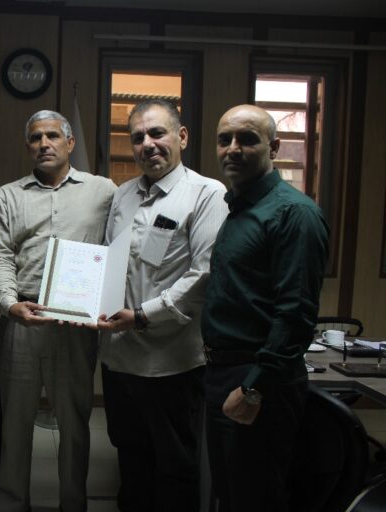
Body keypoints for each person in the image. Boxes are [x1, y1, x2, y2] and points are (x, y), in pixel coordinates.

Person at [96, 99, 229, 511]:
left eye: (157, 133)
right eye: (138, 137)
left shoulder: (206, 194)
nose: (148, 144)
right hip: (119, 358)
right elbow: (110, 260)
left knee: (174, 466)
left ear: (181, 136)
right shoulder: (123, 195)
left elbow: (204, 274)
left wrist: (141, 316)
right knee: (130, 457)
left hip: (171, 362)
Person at [202, 105, 329, 512]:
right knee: (230, 493)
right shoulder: (240, 209)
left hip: (259, 379)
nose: (232, 149)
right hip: (223, 372)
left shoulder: (294, 213)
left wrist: (255, 388)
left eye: (247, 139)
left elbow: (295, 315)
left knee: (255, 498)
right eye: (224, 140)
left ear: (273, 147)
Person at [0, 110, 117, 512]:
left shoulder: (103, 191)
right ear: (28, 145)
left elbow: (118, 248)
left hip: (77, 322)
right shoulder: (8, 195)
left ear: (70, 143)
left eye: (52, 136)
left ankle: (73, 504)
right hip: (22, 318)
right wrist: (9, 304)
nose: (44, 143)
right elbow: (0, 255)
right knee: (14, 422)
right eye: (35, 137)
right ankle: (12, 504)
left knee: (75, 422)